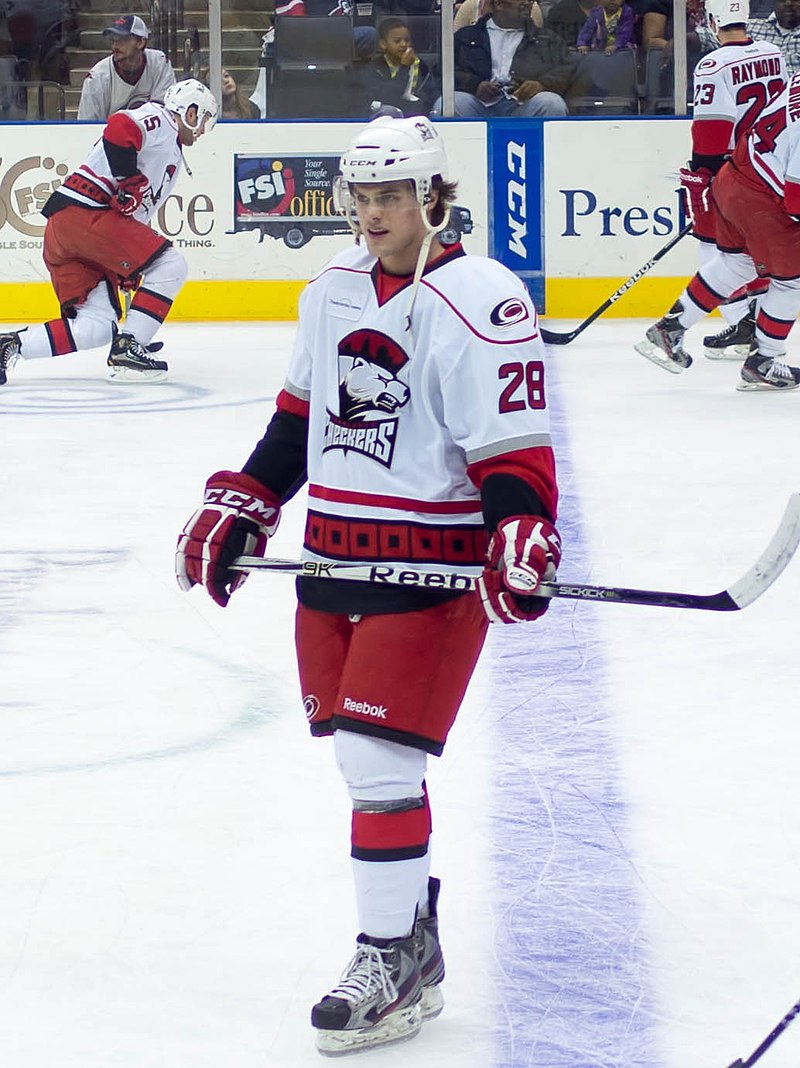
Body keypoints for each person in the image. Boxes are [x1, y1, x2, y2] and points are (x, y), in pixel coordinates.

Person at [174, 114, 561, 1055]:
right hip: (330, 559)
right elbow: (300, 417)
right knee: (362, 765)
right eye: (361, 196)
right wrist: (251, 500)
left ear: (433, 197)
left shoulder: (485, 297)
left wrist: (520, 525)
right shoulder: (332, 289)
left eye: (391, 195)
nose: (372, 213)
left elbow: (513, 447)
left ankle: (388, 956)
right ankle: (414, 946)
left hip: (427, 567)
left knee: (379, 765)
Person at [0, 79, 217, 387]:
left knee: (96, 327)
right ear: (191, 113)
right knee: (171, 265)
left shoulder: (169, 149)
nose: (204, 128)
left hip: (67, 229)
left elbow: (133, 214)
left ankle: (10, 345)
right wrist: (129, 180)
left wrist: (124, 266)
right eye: (205, 119)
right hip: (86, 215)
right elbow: (120, 127)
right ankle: (129, 346)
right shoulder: (163, 120)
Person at [637, 0, 787, 367]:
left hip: (732, 169)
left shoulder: (712, 64)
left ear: (712, 19)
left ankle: (736, 327)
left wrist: (703, 176)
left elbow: (710, 133)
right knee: (750, 258)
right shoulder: (773, 52)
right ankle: (747, 330)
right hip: (771, 167)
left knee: (722, 250)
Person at [439, 0, 579, 117]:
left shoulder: (547, 39)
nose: (529, 2)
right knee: (448, 104)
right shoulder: (466, 37)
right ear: (499, 4)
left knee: (551, 103)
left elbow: (566, 69)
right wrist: (474, 85)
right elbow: (442, 72)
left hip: (524, 105)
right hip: (477, 105)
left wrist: (542, 84)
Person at [77, 14, 176, 121]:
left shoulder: (159, 63)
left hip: (153, 135)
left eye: (122, 40)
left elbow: (166, 116)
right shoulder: (97, 77)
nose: (115, 46)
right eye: (113, 41)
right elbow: (87, 126)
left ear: (140, 42)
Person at [359, 16, 437, 116]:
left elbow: (431, 95)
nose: (404, 44)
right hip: (387, 118)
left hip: (419, 116)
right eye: (397, 41)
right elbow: (387, 98)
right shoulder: (373, 69)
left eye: (407, 40)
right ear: (383, 44)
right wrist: (404, 68)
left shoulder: (421, 66)